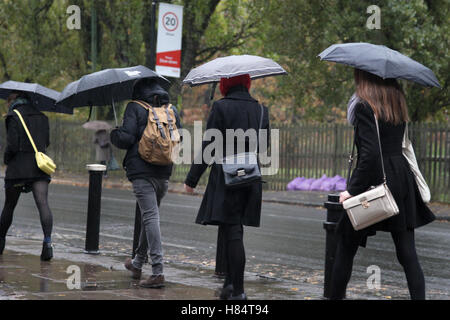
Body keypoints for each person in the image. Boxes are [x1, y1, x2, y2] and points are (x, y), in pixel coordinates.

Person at [331, 69, 436, 300]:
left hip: (376, 179)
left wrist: (351, 191)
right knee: (407, 252)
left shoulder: (363, 106)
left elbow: (369, 156)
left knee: (346, 243)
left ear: (364, 77)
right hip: (401, 177)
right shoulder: (397, 102)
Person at [184, 74, 270, 300]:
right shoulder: (261, 110)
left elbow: (209, 147)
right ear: (247, 83)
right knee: (233, 229)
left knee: (232, 232)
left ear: (225, 84)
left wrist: (192, 179)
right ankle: (229, 285)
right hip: (250, 177)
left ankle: (239, 292)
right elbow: (264, 147)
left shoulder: (221, 107)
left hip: (227, 178)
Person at [110, 79, 181, 288]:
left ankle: (158, 271)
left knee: (150, 217)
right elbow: (178, 140)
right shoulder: (171, 110)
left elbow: (126, 138)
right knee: (148, 217)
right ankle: (137, 263)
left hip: (142, 172)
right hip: (164, 172)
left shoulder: (135, 107)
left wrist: (115, 133)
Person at [0, 92, 54, 261]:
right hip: (39, 167)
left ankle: (0, 242)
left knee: (9, 205)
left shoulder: (13, 116)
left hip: (18, 169)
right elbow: (46, 142)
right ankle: (47, 244)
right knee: (43, 203)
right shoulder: (43, 117)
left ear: (12, 100)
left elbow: (12, 145)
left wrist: (6, 159)